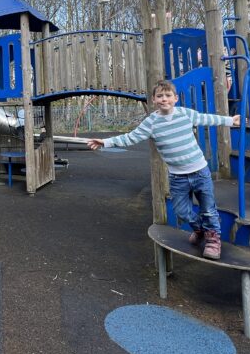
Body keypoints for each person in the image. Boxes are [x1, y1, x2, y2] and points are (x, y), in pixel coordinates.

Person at [88, 79, 240, 261]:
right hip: (177, 177)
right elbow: (131, 138)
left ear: (175, 98)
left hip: (200, 172)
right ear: (153, 100)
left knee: (208, 208)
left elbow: (208, 118)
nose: (164, 99)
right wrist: (106, 141)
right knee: (181, 210)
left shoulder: (185, 114)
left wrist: (230, 120)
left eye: (168, 95)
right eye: (159, 96)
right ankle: (201, 228)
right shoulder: (151, 123)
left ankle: (213, 240)